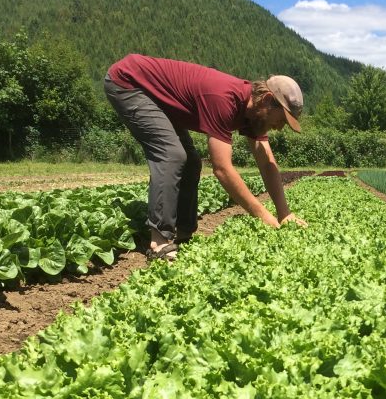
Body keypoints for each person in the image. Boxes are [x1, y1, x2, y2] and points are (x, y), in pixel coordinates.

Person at [104, 54, 307, 261]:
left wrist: (284, 214)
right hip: (129, 82)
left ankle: (183, 233)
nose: (280, 127)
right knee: (172, 154)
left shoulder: (255, 115)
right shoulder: (224, 99)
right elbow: (222, 169)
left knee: (191, 163)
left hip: (159, 98)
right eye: (282, 119)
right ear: (266, 100)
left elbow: (267, 163)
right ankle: (159, 242)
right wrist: (264, 216)